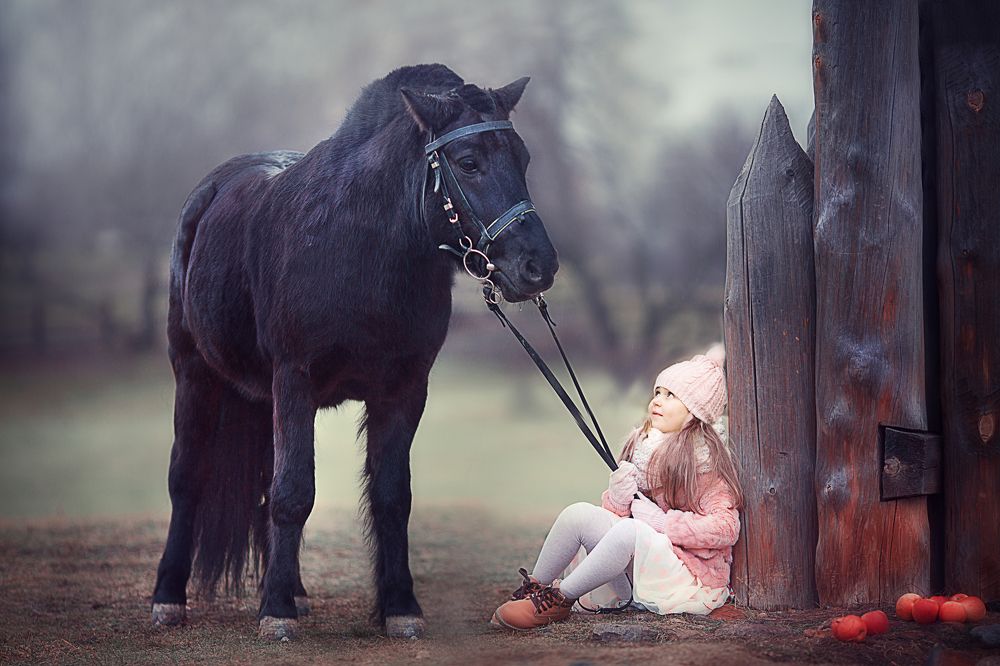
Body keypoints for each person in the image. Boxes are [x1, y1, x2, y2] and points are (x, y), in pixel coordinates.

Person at [491, 345, 743, 631]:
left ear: (695, 411)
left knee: (630, 531)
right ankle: (536, 588)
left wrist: (664, 523)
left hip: (688, 578)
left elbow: (726, 528)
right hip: (641, 573)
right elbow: (617, 528)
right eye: (657, 392)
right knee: (579, 514)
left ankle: (560, 600)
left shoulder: (706, 461)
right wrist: (619, 500)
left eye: (671, 396)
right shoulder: (644, 448)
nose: (657, 401)